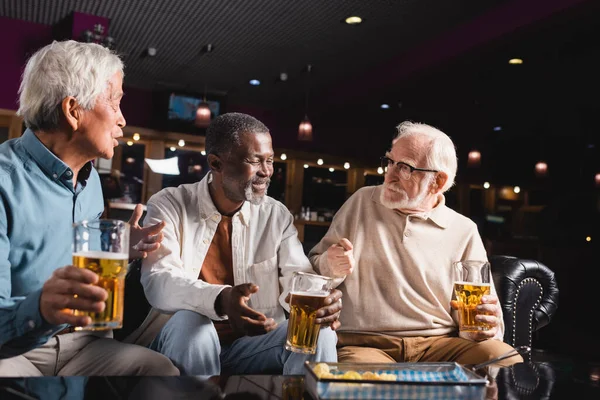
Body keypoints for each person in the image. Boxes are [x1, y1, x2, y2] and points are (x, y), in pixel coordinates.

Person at [0, 40, 179, 376]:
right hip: (16, 350)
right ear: (73, 111)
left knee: (160, 371)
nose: (123, 120)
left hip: (83, 342)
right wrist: (39, 308)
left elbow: (80, 259)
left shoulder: (90, 181)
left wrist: (120, 250)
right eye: (114, 103)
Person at [131, 112, 341, 375]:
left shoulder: (276, 216)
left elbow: (297, 279)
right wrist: (221, 299)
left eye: (270, 160)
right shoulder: (169, 204)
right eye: (255, 161)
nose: (266, 172)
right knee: (192, 323)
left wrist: (322, 302)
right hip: (183, 342)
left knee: (317, 333)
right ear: (216, 163)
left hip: (252, 346)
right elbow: (160, 282)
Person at [308, 121, 523, 366]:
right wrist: (329, 265)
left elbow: (478, 319)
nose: (389, 175)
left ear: (438, 182)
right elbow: (313, 271)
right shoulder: (360, 203)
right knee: (369, 384)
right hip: (365, 343)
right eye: (390, 162)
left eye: (405, 168)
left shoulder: (464, 230)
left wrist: (481, 328)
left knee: (505, 360)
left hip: (441, 344)